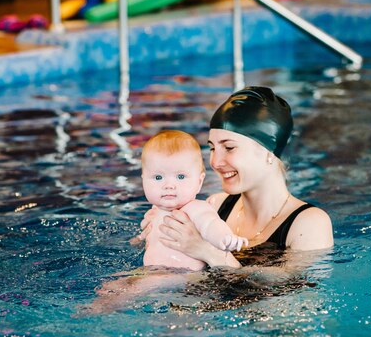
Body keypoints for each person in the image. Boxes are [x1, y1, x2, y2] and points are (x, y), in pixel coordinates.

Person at [140, 86, 334, 270]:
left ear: (269, 151)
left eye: (229, 147)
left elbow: (294, 296)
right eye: (213, 148)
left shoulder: (310, 223)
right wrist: (154, 230)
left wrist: (207, 251)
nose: (215, 162)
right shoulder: (216, 205)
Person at [140, 130, 247, 271]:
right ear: (143, 180)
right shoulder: (154, 212)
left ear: (199, 181)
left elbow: (211, 224)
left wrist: (226, 238)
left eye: (181, 177)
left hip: (184, 277)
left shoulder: (196, 209)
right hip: (154, 274)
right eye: (158, 177)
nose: (169, 185)